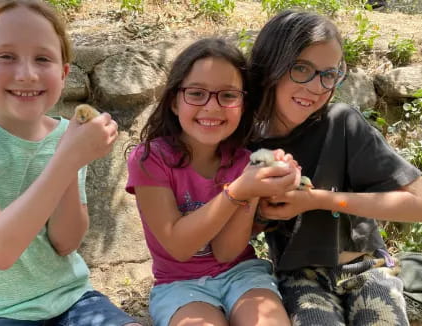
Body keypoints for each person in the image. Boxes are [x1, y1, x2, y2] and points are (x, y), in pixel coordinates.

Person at [0, 1, 141, 325]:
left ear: (63, 74)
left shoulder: (69, 134)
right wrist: (67, 158)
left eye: (43, 58)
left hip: (71, 301)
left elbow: (65, 242)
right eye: (6, 56)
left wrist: (70, 155)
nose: (27, 74)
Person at [247, 10, 422, 326]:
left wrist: (318, 200)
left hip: (369, 266)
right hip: (299, 276)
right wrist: (265, 211)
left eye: (329, 73)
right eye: (301, 69)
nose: (316, 86)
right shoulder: (247, 147)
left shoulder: (343, 123)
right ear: (271, 65)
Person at [126, 38, 297, 326]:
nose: (212, 107)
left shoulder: (246, 160)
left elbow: (227, 252)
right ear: (174, 102)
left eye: (228, 96)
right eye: (196, 93)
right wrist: (241, 189)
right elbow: (179, 247)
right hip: (180, 285)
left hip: (243, 274)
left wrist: (264, 183)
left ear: (243, 104)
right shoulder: (150, 159)